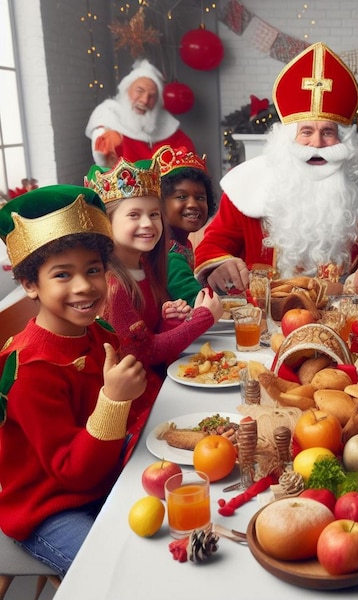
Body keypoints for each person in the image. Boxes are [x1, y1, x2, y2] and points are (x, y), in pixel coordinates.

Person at [0, 186, 147, 575]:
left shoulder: (100, 334)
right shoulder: (29, 370)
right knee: (114, 575)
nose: (84, 286)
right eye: (62, 274)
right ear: (31, 284)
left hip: (102, 478)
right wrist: (114, 402)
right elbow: (72, 471)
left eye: (93, 269)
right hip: (47, 507)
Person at [193, 42, 358, 296]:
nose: (317, 144)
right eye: (306, 132)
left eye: (328, 132)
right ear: (286, 139)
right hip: (266, 308)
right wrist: (221, 265)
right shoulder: (248, 185)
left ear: (346, 141)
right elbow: (214, 244)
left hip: (341, 307)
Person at [85, 155, 222, 401]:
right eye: (134, 215)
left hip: (156, 380)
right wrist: (202, 318)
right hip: (132, 399)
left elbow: (147, 334)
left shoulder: (146, 265)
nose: (148, 224)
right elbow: (143, 352)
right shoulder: (114, 286)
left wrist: (168, 320)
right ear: (107, 223)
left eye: (154, 214)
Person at [85, 59, 196, 168]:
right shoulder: (110, 122)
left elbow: (189, 163)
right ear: (126, 90)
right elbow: (103, 167)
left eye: (152, 96)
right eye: (140, 91)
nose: (145, 100)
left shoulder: (171, 131)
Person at [155, 145, 217, 305]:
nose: (193, 204)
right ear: (159, 203)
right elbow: (200, 304)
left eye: (201, 198)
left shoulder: (181, 243)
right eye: (182, 196)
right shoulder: (170, 255)